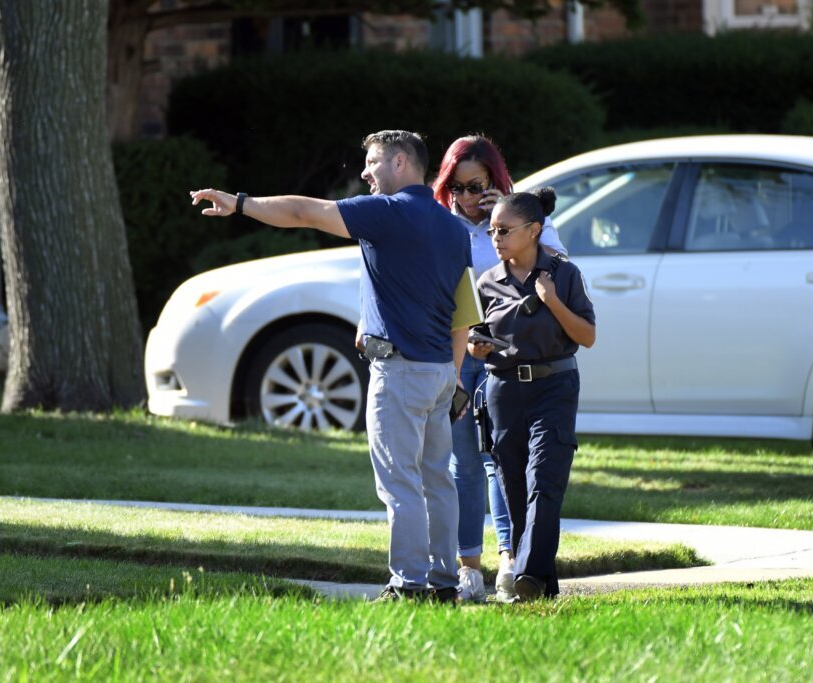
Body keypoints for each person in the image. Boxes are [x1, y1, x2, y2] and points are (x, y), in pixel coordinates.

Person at [190, 130, 475, 603]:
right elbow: (459, 309)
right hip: (441, 372)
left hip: (401, 374)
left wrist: (240, 203)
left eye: (374, 162)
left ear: (401, 163)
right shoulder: (452, 227)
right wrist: (456, 375)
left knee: (400, 482)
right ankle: (444, 583)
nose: (364, 172)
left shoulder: (388, 211)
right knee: (438, 482)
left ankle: (408, 584)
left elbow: (305, 212)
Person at [431, 135, 568, 602]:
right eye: (457, 188)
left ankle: (510, 559)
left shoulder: (519, 220)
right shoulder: (439, 222)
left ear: (495, 181)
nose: (467, 198)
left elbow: (558, 269)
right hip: (455, 352)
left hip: (502, 356)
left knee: (500, 463)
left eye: (476, 187)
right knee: (463, 464)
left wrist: (504, 222)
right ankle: (468, 568)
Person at [467, 187, 595, 602]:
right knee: (514, 487)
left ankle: (527, 573)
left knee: (544, 478)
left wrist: (551, 301)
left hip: (553, 386)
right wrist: (476, 347)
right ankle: (538, 585)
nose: (496, 238)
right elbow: (476, 335)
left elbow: (587, 336)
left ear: (534, 230)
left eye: (504, 230)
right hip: (503, 391)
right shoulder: (487, 282)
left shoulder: (564, 274)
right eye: (492, 231)